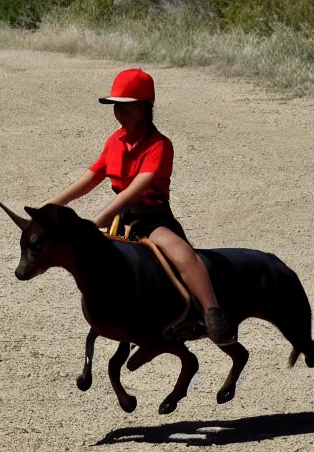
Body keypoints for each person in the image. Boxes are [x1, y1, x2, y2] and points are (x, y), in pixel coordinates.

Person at [45, 68, 236, 346]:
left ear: (145, 107)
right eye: (115, 107)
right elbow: (89, 178)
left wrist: (96, 220)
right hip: (121, 221)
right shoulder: (114, 141)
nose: (118, 112)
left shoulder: (160, 145)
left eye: (126, 106)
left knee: (184, 257)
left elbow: (136, 190)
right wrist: (51, 206)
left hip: (152, 220)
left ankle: (211, 315)